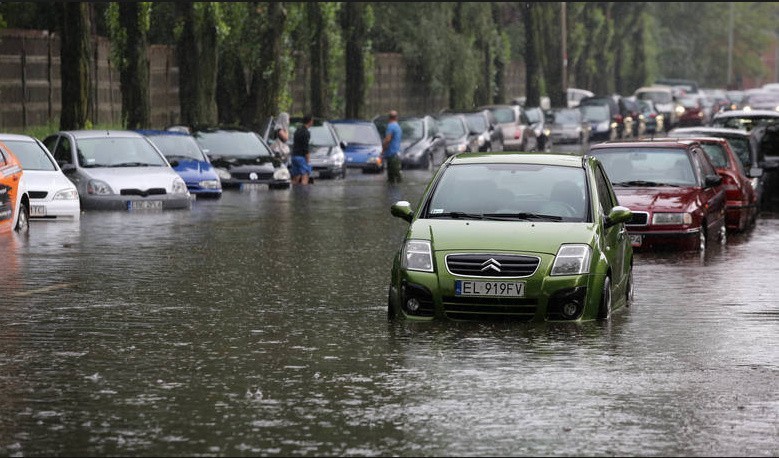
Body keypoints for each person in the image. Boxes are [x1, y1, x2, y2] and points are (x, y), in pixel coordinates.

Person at [291, 114, 313, 185]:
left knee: (295, 177)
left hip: (294, 156)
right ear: (310, 122)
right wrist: (308, 160)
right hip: (301, 158)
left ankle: (293, 193)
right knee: (305, 175)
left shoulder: (297, 131)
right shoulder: (306, 133)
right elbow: (305, 147)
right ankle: (303, 194)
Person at [382, 110, 403, 183]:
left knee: (392, 179)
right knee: (397, 178)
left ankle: (393, 193)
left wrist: (383, 150)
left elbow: (387, 139)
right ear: (396, 117)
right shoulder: (398, 126)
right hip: (397, 154)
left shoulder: (390, 126)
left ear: (389, 118)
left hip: (392, 155)